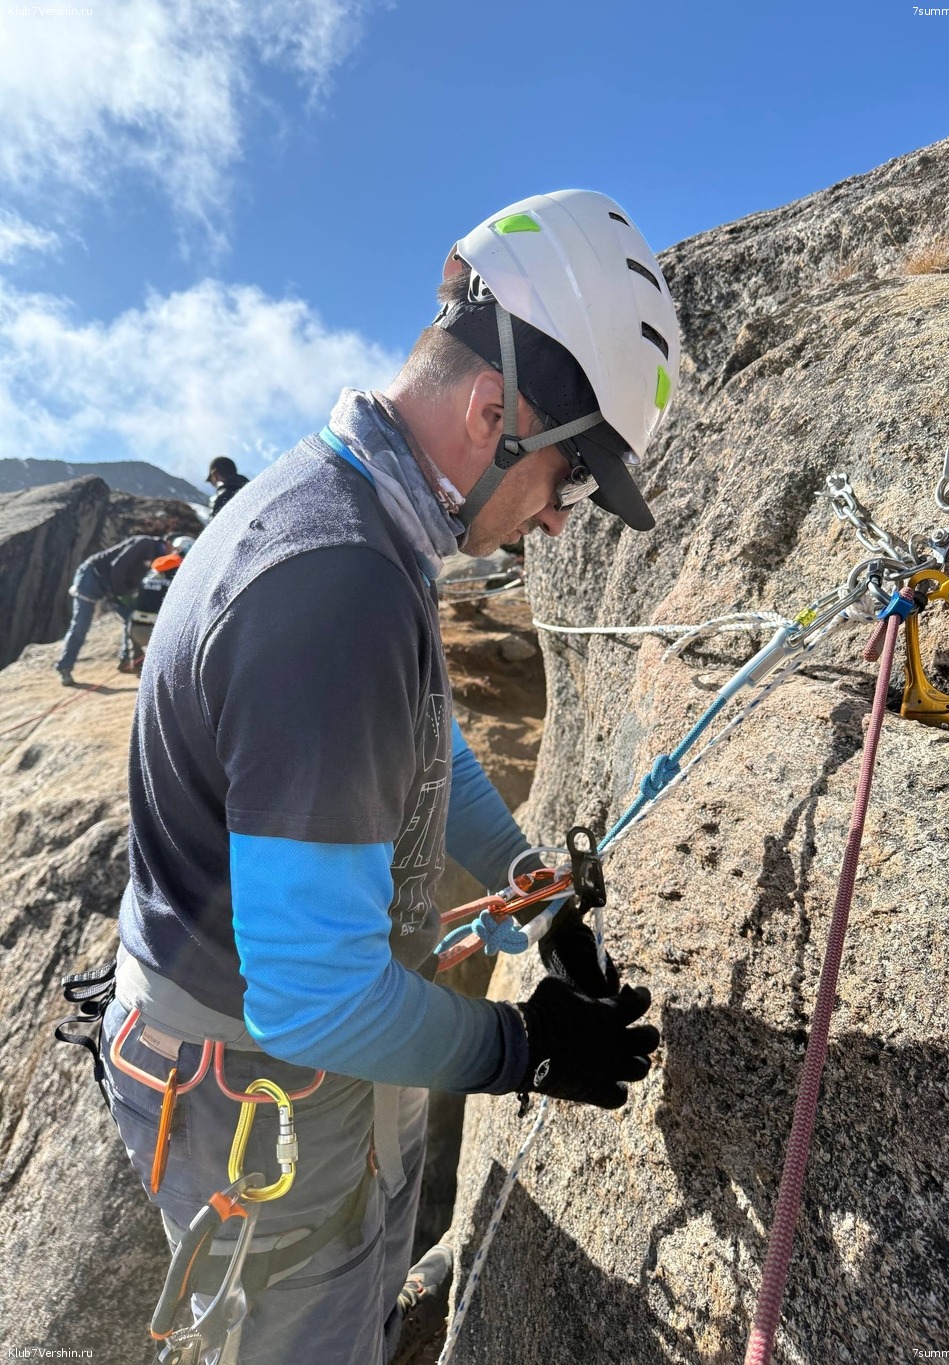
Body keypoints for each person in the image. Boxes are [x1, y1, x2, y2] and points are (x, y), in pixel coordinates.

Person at [97, 190, 680, 1364]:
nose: (559, 522)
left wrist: (537, 892)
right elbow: (314, 998)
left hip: (310, 1070)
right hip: (264, 1085)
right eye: (570, 477)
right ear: (491, 412)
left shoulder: (362, 517)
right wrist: (526, 1048)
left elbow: (430, 750)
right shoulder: (337, 582)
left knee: (362, 1282)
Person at [54, 534, 169, 685]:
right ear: (168, 542)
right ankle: (64, 667)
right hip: (92, 577)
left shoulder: (158, 558)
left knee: (131, 618)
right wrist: (121, 594)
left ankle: (127, 661)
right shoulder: (145, 543)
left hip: (112, 586)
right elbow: (119, 566)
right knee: (81, 625)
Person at [127, 536, 196, 662]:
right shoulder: (181, 573)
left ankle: (135, 659)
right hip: (157, 634)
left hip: (134, 631)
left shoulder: (154, 570)